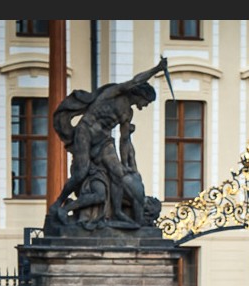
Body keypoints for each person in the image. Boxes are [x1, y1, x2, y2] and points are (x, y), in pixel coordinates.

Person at [49, 58, 168, 226]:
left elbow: (124, 141)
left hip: (104, 139)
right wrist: (157, 69)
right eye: (146, 102)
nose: (145, 105)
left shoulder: (128, 114)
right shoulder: (116, 92)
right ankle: (58, 204)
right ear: (140, 95)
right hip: (86, 131)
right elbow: (136, 80)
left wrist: (127, 164)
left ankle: (118, 212)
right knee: (81, 172)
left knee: (119, 173)